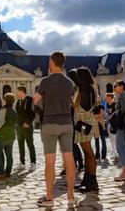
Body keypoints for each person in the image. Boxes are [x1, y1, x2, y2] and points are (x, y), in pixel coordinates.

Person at [33, 52, 76, 207]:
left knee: (50, 162)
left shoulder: (45, 81)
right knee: (69, 160)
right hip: (66, 123)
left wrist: (45, 108)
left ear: (52, 62)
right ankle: (71, 196)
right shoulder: (70, 82)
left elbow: (35, 101)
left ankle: (50, 198)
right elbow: (72, 102)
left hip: (50, 124)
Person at [69, 67, 99, 193]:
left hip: (84, 123)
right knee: (87, 153)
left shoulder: (86, 87)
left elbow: (71, 73)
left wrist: (77, 70)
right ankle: (87, 180)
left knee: (88, 153)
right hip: (84, 123)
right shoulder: (87, 88)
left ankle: (92, 182)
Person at [0, 93, 18, 180]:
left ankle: (1, 172)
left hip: (2, 135)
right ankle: (8, 172)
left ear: (5, 100)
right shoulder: (14, 111)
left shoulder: (4, 110)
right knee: (9, 155)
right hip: (11, 136)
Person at [15, 86, 36, 171]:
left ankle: (33, 163)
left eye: (18, 91)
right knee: (20, 145)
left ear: (21, 91)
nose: (17, 93)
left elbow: (33, 112)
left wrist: (28, 122)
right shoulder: (18, 101)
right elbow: (17, 113)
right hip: (19, 127)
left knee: (30, 145)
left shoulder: (30, 99)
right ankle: (22, 163)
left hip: (28, 126)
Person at [105, 93, 118, 161]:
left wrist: (111, 116)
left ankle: (118, 154)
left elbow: (116, 114)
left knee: (115, 139)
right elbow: (108, 113)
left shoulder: (114, 104)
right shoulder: (107, 105)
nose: (105, 98)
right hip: (109, 123)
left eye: (106, 97)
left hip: (114, 124)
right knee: (111, 139)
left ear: (110, 97)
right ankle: (115, 153)